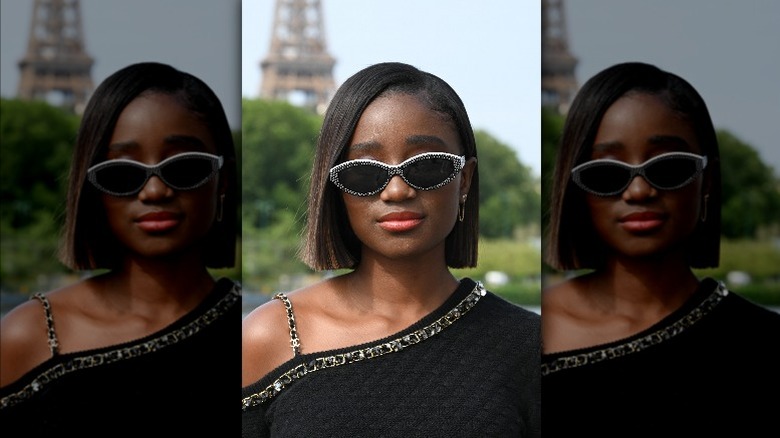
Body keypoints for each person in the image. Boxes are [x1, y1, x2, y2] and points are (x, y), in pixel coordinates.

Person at [241, 62, 541, 437]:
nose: (397, 191)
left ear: (464, 179)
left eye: (427, 166)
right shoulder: (271, 336)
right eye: (365, 173)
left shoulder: (529, 345)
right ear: (336, 188)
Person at [0, 62, 241, 435]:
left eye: (184, 168)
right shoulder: (29, 335)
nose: (155, 192)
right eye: (122, 174)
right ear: (93, 189)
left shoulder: (256, 331)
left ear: (222, 181)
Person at [541, 62, 780, 436]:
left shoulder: (762, 345)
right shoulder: (519, 335)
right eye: (607, 174)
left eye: (668, 168)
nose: (639, 192)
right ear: (577, 191)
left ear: (707, 182)